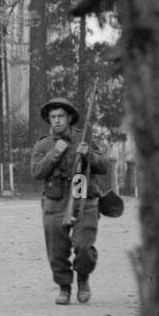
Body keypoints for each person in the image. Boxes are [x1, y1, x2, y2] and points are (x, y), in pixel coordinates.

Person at [30, 96, 110, 304]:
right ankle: (64, 287)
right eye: (52, 117)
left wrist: (89, 155)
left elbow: (103, 166)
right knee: (56, 250)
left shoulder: (84, 138)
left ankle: (83, 279)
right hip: (55, 197)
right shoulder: (44, 144)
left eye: (61, 116)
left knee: (84, 246)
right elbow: (36, 172)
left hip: (81, 191)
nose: (56, 121)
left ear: (69, 118)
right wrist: (54, 153)